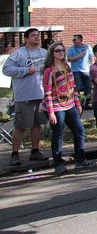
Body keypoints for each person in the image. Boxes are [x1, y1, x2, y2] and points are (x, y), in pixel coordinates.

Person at [41, 41, 97, 175]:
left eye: (62, 50)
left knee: (79, 130)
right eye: (58, 51)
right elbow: (47, 93)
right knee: (58, 134)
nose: (61, 52)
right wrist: (51, 113)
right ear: (52, 54)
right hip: (55, 106)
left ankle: (80, 160)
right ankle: (58, 163)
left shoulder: (66, 67)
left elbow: (72, 87)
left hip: (69, 104)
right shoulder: (49, 71)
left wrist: (77, 103)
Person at [2, 28, 49, 166]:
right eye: (33, 36)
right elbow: (6, 69)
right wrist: (25, 70)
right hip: (24, 96)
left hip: (40, 94)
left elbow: (52, 68)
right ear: (26, 39)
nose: (36, 38)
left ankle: (35, 151)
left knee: (37, 124)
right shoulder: (18, 54)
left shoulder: (45, 53)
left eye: (37, 35)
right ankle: (14, 154)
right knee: (21, 125)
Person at [66, 34, 94, 109]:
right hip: (76, 71)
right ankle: (76, 104)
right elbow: (68, 59)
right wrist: (79, 56)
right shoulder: (71, 48)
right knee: (77, 88)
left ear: (81, 40)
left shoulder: (87, 47)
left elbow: (91, 57)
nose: (73, 41)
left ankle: (86, 103)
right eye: (73, 40)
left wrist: (92, 66)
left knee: (88, 87)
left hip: (86, 71)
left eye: (75, 40)